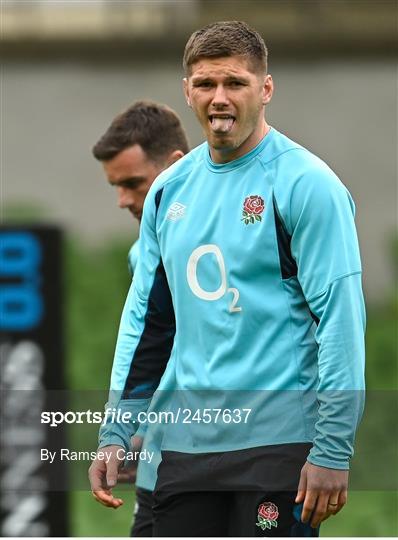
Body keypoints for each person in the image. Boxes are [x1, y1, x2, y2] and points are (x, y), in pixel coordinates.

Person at [89, 21, 365, 536]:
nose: (220, 98)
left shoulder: (307, 185)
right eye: (206, 84)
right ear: (187, 92)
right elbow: (149, 325)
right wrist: (117, 429)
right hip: (186, 444)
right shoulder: (170, 191)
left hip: (278, 446)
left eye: (235, 83)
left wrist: (331, 446)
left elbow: (341, 323)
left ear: (265, 89)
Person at [90, 100, 189, 536]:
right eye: (116, 186)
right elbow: (157, 351)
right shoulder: (141, 255)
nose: (123, 200)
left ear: (174, 168)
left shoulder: (228, 243)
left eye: (133, 183)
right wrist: (136, 431)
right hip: (164, 460)